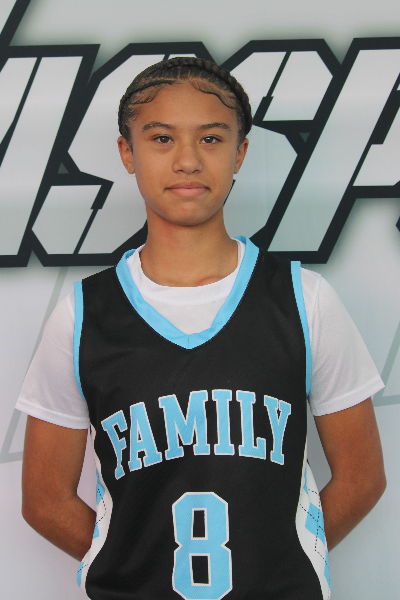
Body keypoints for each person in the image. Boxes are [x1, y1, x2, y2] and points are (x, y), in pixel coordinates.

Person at [18, 57, 386, 600]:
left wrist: (281, 561)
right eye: (161, 138)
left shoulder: (304, 300)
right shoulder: (83, 314)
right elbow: (44, 499)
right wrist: (133, 572)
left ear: (240, 152)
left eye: (211, 139)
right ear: (127, 152)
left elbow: (362, 477)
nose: (188, 160)